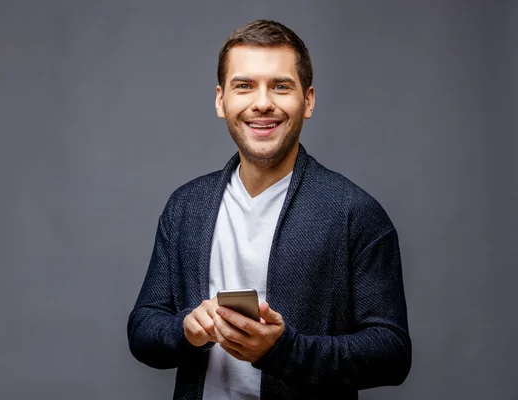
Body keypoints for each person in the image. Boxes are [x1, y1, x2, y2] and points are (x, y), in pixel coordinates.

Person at [127, 19, 411, 400]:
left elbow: (392, 354)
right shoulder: (185, 207)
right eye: (244, 86)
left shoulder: (355, 213)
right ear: (220, 99)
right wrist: (186, 331)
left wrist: (283, 351)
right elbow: (143, 328)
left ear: (307, 101)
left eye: (280, 86)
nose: (262, 102)